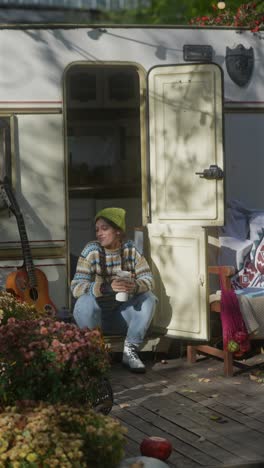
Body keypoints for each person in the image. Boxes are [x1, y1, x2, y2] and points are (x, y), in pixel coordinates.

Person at [71, 207, 157, 373]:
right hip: (96, 319)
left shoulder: (131, 250)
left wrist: (136, 286)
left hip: (122, 318)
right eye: (97, 230)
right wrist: (106, 287)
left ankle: (130, 350)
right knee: (84, 301)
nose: (99, 234)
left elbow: (148, 280)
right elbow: (76, 287)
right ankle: (95, 352)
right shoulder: (91, 250)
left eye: (104, 229)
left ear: (118, 231)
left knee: (149, 298)